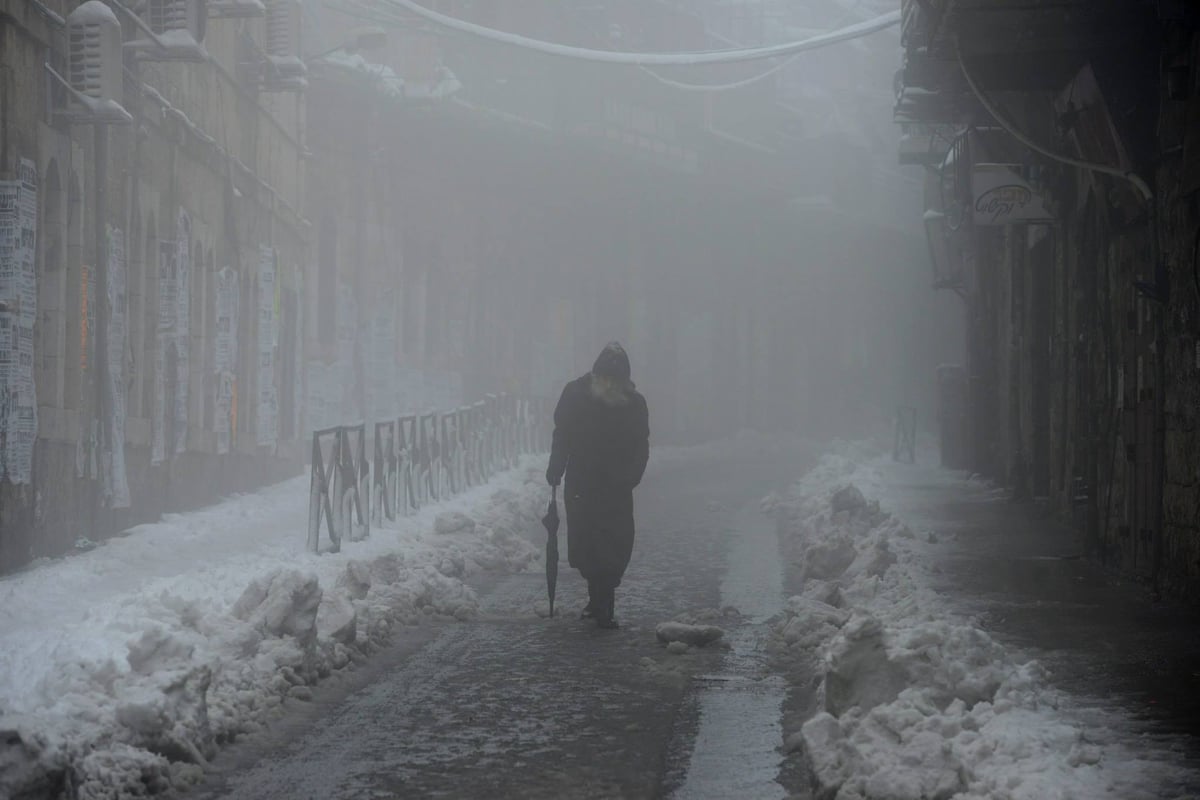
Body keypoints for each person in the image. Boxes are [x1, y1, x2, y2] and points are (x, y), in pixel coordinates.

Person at [546, 342, 650, 629]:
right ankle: (599, 598)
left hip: (616, 486)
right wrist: (556, 465)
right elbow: (563, 434)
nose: (612, 385)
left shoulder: (634, 403)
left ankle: (602, 600)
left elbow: (640, 445)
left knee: (614, 541)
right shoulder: (576, 395)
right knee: (585, 540)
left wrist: (630, 477)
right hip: (583, 481)